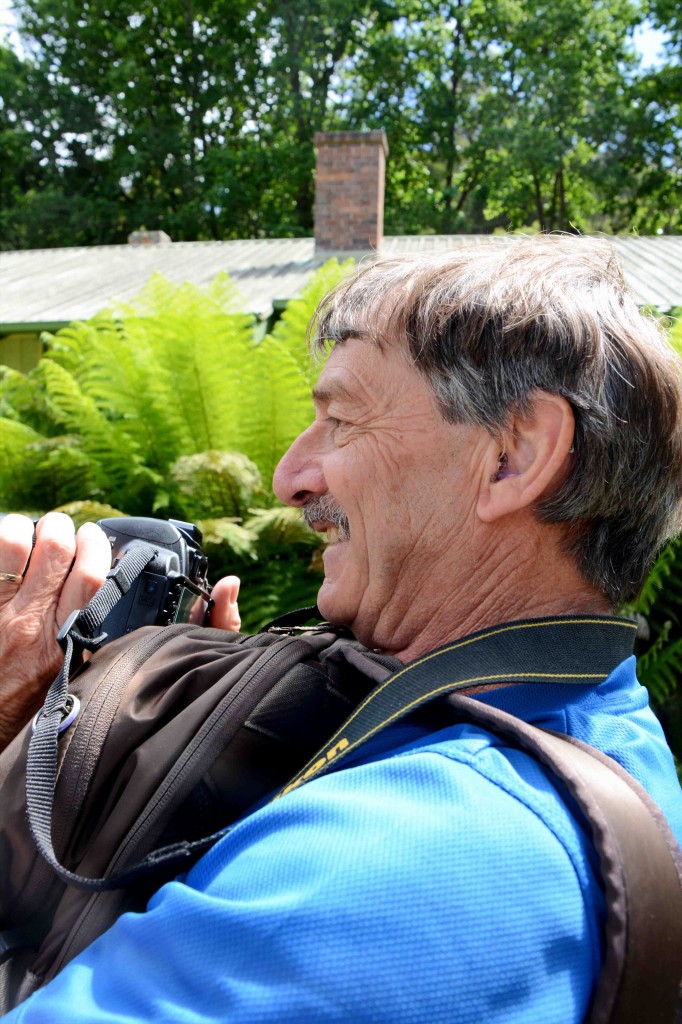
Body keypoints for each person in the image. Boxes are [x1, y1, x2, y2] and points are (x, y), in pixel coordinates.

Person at [1, 235, 681, 1023]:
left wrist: (17, 720)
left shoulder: (398, 860)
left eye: (343, 420)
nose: (291, 478)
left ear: (513, 456)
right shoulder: (602, 736)